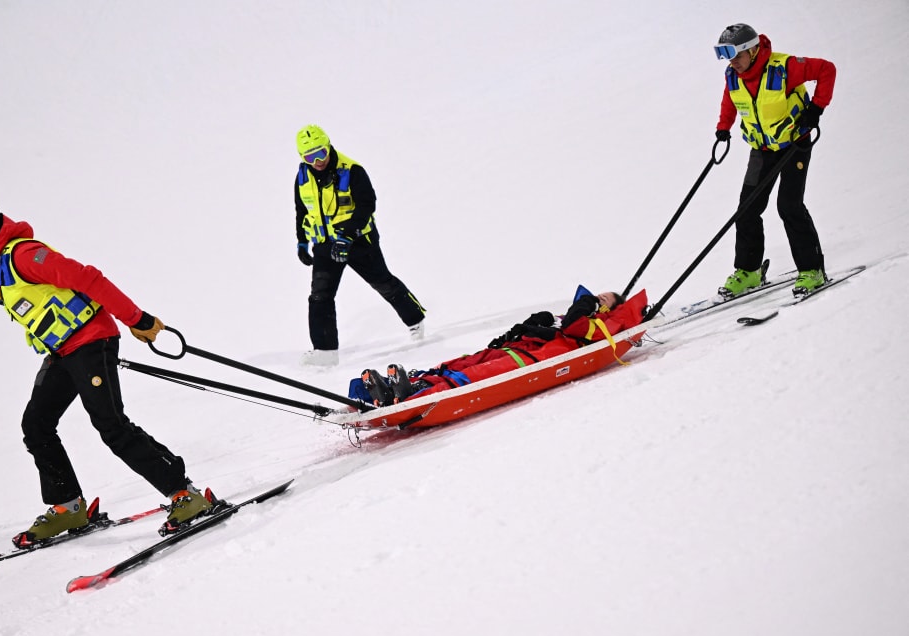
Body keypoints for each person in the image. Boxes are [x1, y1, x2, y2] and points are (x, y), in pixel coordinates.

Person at [0, 197, 228, 547]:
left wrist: (136, 319)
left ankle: (185, 494)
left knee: (111, 426)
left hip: (91, 341)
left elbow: (88, 279)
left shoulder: (23, 256)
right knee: (36, 425)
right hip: (64, 352)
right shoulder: (1, 266)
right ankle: (68, 506)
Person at [353, 289, 646, 407]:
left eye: (604, 298)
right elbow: (555, 325)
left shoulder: (602, 325)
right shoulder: (569, 316)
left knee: (472, 376)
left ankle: (414, 395)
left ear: (610, 309)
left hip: (532, 359)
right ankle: (396, 388)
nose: (597, 297)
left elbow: (575, 328)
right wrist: (524, 328)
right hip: (514, 350)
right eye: (597, 294)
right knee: (457, 365)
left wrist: (588, 304)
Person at [712, 24, 837, 298]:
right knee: (746, 209)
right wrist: (724, 128)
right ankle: (749, 271)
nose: (732, 62)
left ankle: (812, 269)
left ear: (753, 50)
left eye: (735, 55)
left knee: (789, 205)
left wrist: (816, 108)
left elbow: (827, 69)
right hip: (762, 148)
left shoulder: (784, 67)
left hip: (794, 142)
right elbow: (730, 100)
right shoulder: (733, 75)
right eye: (727, 57)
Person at [294, 124, 426, 368]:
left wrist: (347, 235)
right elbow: (302, 209)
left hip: (359, 242)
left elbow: (367, 205)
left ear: (328, 146)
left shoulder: (352, 170)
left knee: (383, 282)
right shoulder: (302, 176)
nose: (317, 161)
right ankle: (325, 352)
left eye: (320, 153)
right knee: (319, 296)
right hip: (325, 245)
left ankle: (415, 320)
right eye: (309, 156)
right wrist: (302, 241)